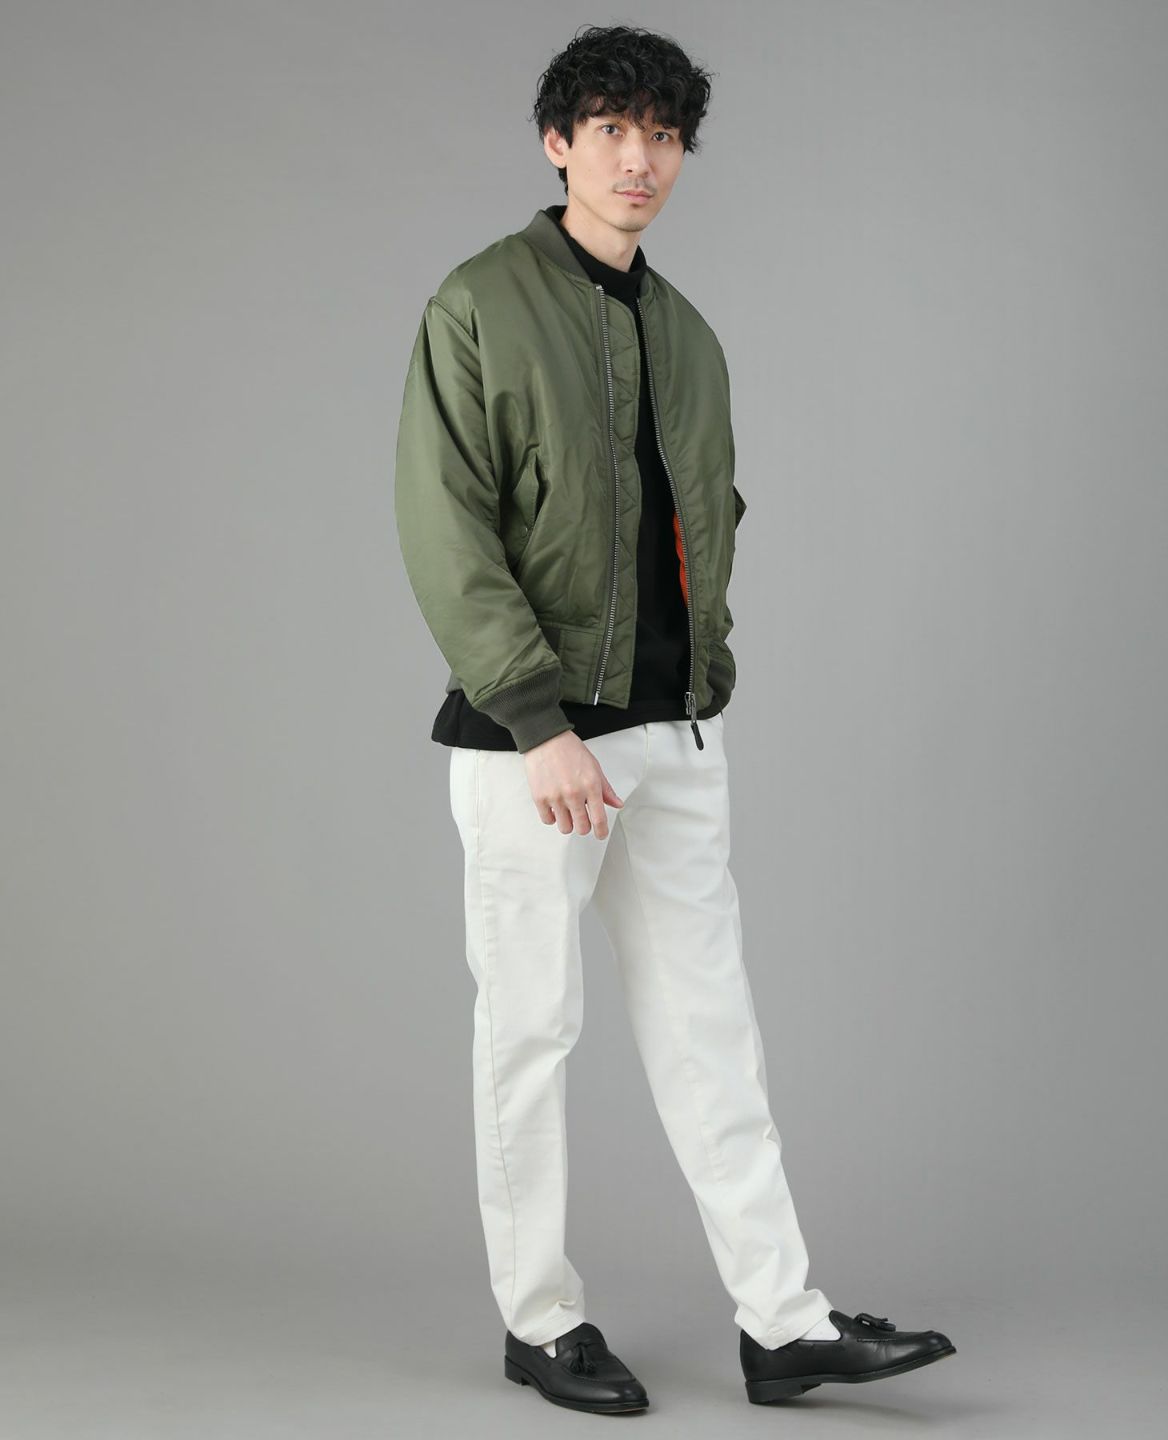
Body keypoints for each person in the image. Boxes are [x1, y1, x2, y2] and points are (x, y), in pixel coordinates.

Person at [394, 23, 956, 1415]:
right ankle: (539, 1321)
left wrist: (700, 688)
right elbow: (447, 524)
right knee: (531, 1035)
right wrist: (536, 722)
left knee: (715, 1034)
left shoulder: (690, 336)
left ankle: (784, 1323)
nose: (637, 159)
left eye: (661, 135)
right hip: (534, 743)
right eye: (610, 130)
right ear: (558, 142)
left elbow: (706, 526)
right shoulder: (479, 302)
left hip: (674, 734)